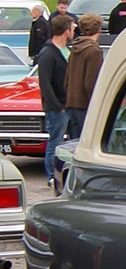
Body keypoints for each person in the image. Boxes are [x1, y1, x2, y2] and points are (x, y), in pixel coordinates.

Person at [37, 14, 72, 194]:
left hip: (69, 103)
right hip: (56, 107)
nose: (74, 31)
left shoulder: (67, 50)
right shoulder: (47, 53)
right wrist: (57, 106)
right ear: (66, 31)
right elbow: (45, 83)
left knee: (71, 141)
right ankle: (51, 174)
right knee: (55, 141)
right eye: (72, 28)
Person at [64, 13, 105, 141]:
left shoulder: (75, 48)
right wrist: (96, 105)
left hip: (71, 103)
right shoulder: (94, 51)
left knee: (74, 144)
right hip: (85, 105)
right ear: (99, 29)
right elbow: (90, 82)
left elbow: (67, 79)